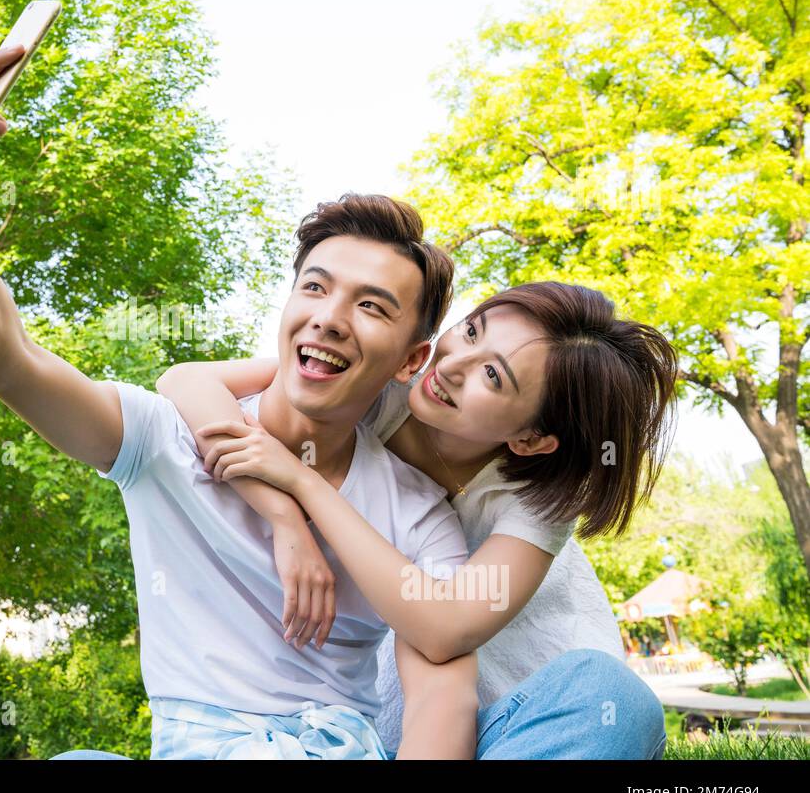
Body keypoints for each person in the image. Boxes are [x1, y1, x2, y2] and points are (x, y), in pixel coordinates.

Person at [0, 47, 667, 759]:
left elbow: (439, 675)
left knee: (610, 702)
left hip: (380, 740)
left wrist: (299, 493)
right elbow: (7, 356)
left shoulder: (424, 511)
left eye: (372, 307)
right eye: (317, 287)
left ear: (407, 357)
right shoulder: (169, 438)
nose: (330, 316)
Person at [157, 268, 678, 758]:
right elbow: (186, 383)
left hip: (530, 720)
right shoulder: (377, 390)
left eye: (492, 376)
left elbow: (446, 628)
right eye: (472, 332)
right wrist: (283, 516)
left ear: (532, 438)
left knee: (616, 697)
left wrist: (306, 485)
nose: (450, 366)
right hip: (403, 724)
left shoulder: (538, 501)